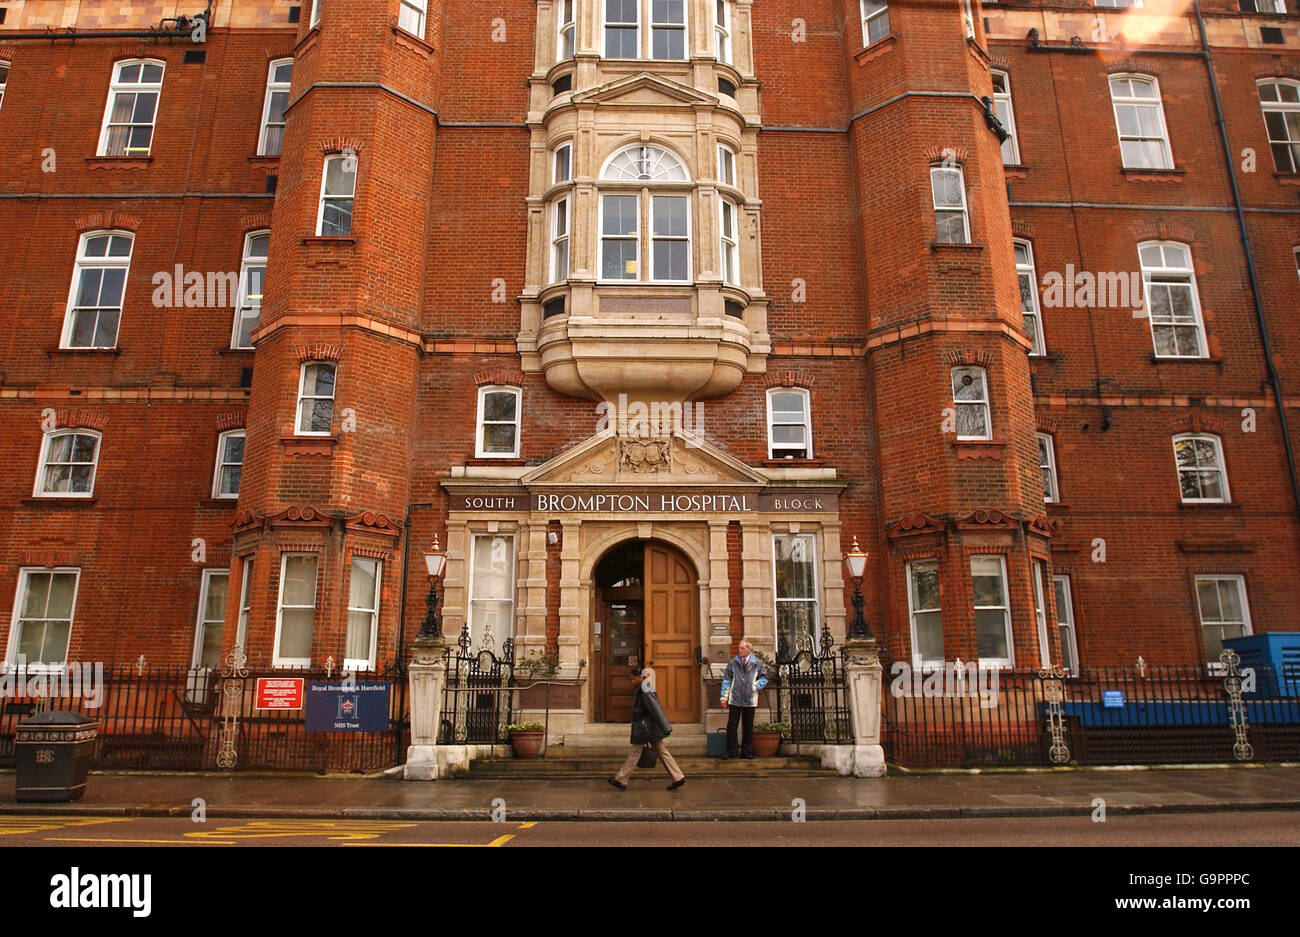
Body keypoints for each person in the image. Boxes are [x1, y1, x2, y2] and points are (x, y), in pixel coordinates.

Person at [608, 660, 686, 791]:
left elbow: (656, 709)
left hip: (646, 728)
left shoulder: (645, 690)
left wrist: (665, 726)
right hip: (649, 727)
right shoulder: (644, 688)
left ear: (640, 677)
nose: (632, 682)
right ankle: (678, 776)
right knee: (661, 751)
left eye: (633, 679)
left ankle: (621, 779)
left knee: (635, 751)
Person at [720, 638, 767, 759]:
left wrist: (754, 687)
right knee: (732, 726)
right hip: (735, 699)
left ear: (748, 649)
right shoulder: (733, 663)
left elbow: (764, 678)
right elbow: (727, 680)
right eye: (739, 648)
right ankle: (729, 751)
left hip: (749, 699)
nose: (739, 650)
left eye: (742, 648)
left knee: (748, 726)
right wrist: (724, 697)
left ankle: (746, 751)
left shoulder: (757, 663)